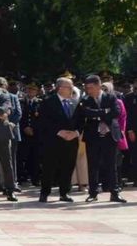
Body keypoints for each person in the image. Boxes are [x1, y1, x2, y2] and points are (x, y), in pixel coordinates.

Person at [76, 75, 126, 203]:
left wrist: (96, 114)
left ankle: (115, 192)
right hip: (93, 136)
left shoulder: (111, 97)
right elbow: (84, 113)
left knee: (111, 165)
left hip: (110, 135)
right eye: (87, 88)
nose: (89, 90)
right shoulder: (85, 100)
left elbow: (116, 112)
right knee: (93, 165)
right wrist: (104, 112)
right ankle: (93, 193)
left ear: (98, 85)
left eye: (91, 87)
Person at [36, 77, 80, 202]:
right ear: (60, 88)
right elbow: (43, 121)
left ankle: (64, 192)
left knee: (68, 166)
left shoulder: (75, 102)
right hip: (53, 141)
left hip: (71, 141)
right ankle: (45, 192)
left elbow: (81, 120)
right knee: (49, 167)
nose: (72, 89)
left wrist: (76, 133)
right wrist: (58, 131)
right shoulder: (48, 102)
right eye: (69, 87)